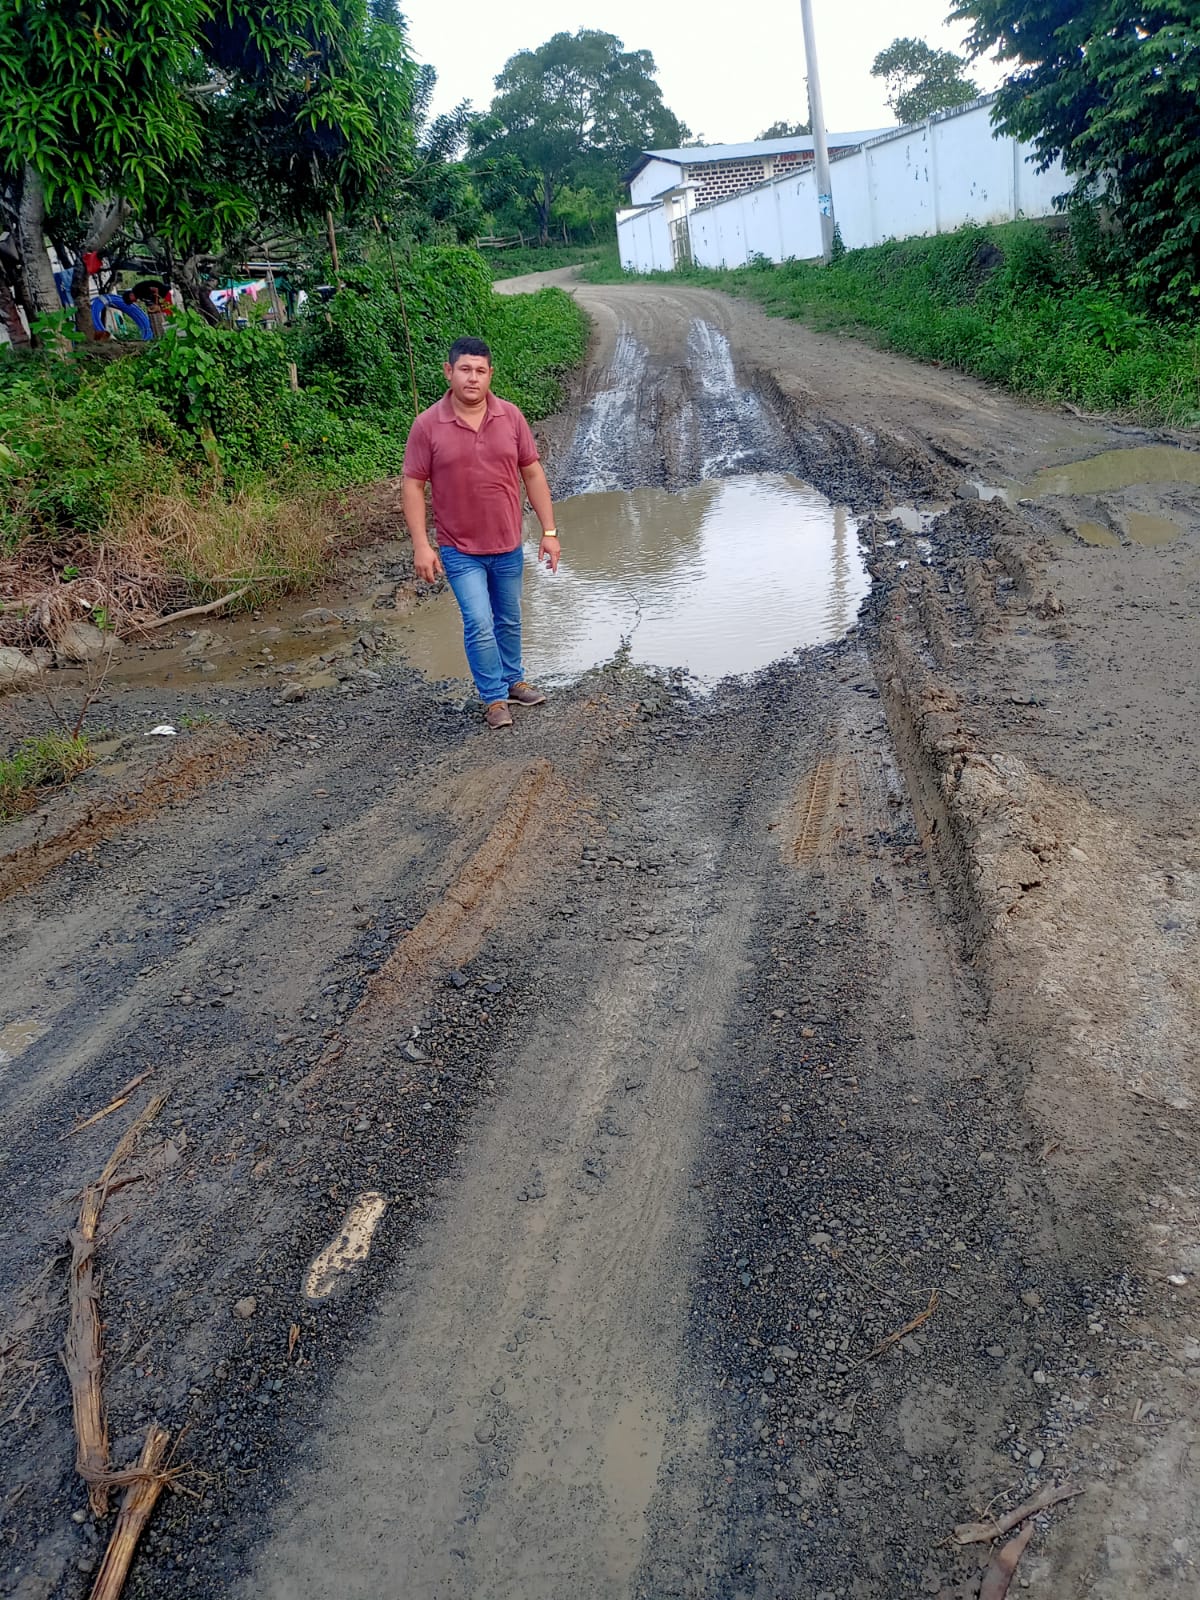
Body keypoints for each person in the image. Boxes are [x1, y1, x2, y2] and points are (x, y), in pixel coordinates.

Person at [401, 336, 560, 729]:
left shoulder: (511, 417)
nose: (472, 378)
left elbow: (532, 473)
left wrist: (549, 531)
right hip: (459, 548)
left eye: (480, 371)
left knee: (509, 619)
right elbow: (413, 485)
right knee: (479, 622)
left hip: (507, 543)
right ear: (449, 372)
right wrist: (421, 545)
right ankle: (493, 698)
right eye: (465, 370)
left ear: (490, 375)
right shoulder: (427, 425)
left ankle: (514, 681)